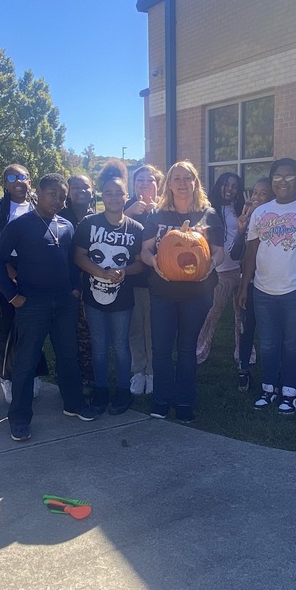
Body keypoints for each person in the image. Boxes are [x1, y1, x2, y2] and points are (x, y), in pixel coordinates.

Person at [0, 173, 87, 442]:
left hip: (64, 302)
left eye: (61, 195)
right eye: (52, 193)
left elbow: (70, 262)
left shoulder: (66, 226)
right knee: (26, 361)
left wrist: (74, 288)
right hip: (32, 303)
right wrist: (12, 296)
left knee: (68, 355)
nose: (57, 200)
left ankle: (73, 403)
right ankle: (20, 418)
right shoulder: (20, 226)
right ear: (39, 193)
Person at [238, 158, 296, 415]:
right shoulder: (261, 212)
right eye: (278, 176)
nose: (283, 181)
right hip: (263, 289)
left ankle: (290, 392)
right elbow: (251, 251)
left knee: (291, 343)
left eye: (289, 176)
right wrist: (245, 286)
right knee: (267, 343)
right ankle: (269, 389)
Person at [139, 160, 225, 423]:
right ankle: (162, 400)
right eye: (176, 178)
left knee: (187, 349)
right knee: (162, 349)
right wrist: (154, 262)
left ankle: (185, 401)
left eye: (187, 178)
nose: (182, 183)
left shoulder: (209, 215)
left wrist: (209, 266)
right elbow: (145, 250)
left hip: (197, 293)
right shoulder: (157, 215)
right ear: (169, 184)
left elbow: (219, 252)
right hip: (163, 291)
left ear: (195, 182)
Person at [73, 162, 144, 417]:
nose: (114, 197)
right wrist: (100, 271)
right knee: (100, 346)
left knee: (121, 346)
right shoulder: (89, 224)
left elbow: (139, 262)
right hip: (93, 297)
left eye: (119, 193)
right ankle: (102, 390)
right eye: (109, 193)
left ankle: (123, 391)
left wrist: (125, 271)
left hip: (122, 300)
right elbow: (79, 256)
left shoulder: (135, 229)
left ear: (127, 197)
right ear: (102, 196)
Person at [0, 163, 47, 403]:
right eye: (11, 177)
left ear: (30, 181)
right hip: (8, 273)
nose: (18, 181)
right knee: (10, 327)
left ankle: (32, 373)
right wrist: (9, 269)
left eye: (23, 177)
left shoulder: (37, 206)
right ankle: (8, 377)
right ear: (4, 184)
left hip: (35, 273)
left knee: (34, 328)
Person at [197, 172, 248, 365]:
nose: (230, 189)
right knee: (212, 312)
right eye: (226, 185)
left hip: (240, 268)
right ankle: (200, 347)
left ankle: (243, 351)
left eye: (234, 186)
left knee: (242, 314)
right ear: (219, 186)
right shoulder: (208, 210)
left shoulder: (241, 209)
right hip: (220, 270)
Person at [231, 177, 273, 392]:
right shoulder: (248, 220)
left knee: (270, 332)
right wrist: (241, 229)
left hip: (271, 285)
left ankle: (274, 373)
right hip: (249, 283)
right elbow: (235, 253)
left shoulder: (275, 223)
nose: (256, 197)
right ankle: (243, 369)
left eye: (263, 193)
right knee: (246, 328)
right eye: (255, 192)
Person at [124, 164, 163, 395]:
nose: (145, 184)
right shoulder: (125, 209)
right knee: (135, 327)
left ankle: (153, 371)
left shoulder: (163, 210)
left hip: (159, 279)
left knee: (154, 329)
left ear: (158, 185)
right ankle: (138, 370)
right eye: (140, 180)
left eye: (150, 180)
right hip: (132, 279)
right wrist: (129, 214)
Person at [59, 174, 97, 395]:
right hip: (65, 285)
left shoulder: (99, 219)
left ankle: (88, 380)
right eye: (76, 187)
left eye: (86, 187)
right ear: (68, 191)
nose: (81, 191)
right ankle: (67, 380)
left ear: (93, 190)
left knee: (88, 334)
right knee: (67, 335)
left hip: (93, 284)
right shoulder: (59, 218)